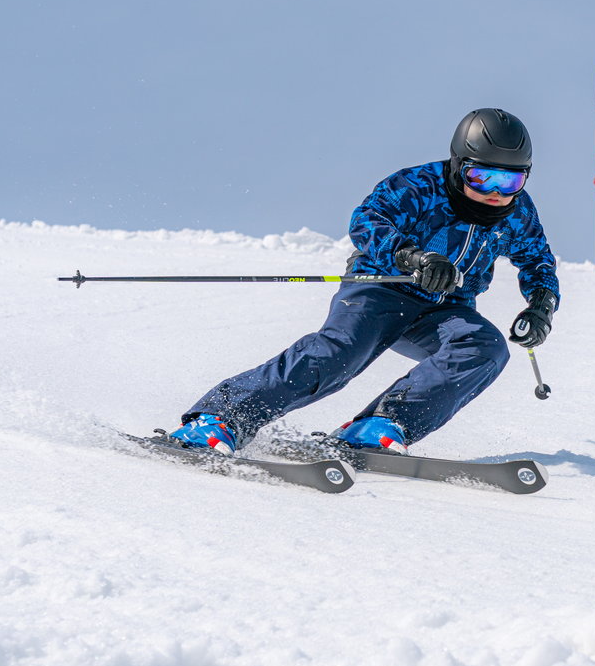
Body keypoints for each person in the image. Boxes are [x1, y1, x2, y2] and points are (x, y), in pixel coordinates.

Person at [167, 108, 560, 456]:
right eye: (481, 176)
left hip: (445, 309)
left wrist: (541, 306)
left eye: (509, 183)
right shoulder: (420, 185)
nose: (494, 193)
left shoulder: (518, 213)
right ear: (459, 166)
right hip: (381, 289)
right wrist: (413, 256)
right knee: (340, 354)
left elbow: (538, 261)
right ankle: (220, 419)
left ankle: (378, 426)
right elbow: (367, 220)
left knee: (485, 348)